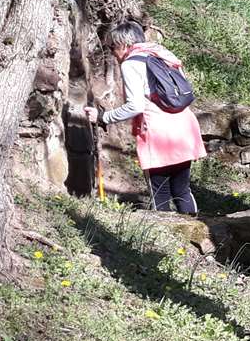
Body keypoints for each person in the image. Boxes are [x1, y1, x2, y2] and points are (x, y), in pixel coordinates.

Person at [89, 22, 207, 215]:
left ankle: (165, 242)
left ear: (123, 44)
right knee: (182, 189)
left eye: (112, 47)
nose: (112, 53)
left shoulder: (131, 63)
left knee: (159, 191)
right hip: (184, 125)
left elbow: (136, 106)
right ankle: (196, 230)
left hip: (159, 133)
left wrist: (104, 117)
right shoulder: (163, 54)